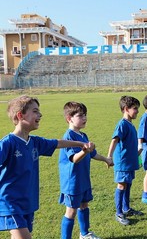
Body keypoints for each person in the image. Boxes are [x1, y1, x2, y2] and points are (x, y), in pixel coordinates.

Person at [0, 95, 95, 239]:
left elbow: (57, 143)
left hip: (27, 202)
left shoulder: (35, 142)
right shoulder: (7, 143)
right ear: (20, 115)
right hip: (10, 203)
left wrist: (80, 144)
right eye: (35, 111)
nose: (40, 115)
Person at [59, 101, 114, 239]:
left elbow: (92, 154)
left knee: (84, 205)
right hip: (72, 181)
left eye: (85, 115)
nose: (85, 118)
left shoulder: (83, 136)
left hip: (83, 179)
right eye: (80, 116)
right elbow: (74, 159)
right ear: (69, 118)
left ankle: (84, 234)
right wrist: (84, 150)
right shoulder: (68, 137)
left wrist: (106, 159)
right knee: (70, 211)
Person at [107, 96, 143, 226]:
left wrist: (137, 154)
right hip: (122, 162)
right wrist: (109, 157)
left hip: (130, 161)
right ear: (126, 109)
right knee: (122, 185)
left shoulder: (130, 124)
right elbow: (114, 140)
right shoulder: (122, 124)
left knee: (128, 184)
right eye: (135, 109)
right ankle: (119, 212)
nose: (137, 111)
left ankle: (126, 208)